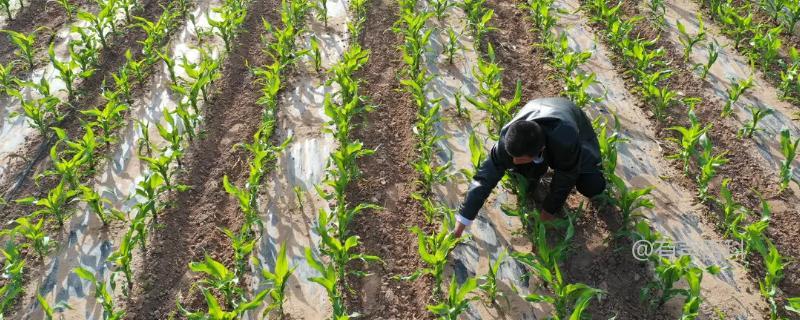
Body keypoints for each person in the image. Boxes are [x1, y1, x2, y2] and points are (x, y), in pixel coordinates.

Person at [452, 97, 606, 237]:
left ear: (540, 150)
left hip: (569, 120)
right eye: (512, 156)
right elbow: (483, 179)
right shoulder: (508, 140)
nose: (514, 160)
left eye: (520, 158)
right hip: (536, 109)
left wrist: (548, 211)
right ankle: (536, 171)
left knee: (592, 186)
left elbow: (566, 175)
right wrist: (462, 222)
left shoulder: (566, 139)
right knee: (521, 172)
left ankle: (585, 171)